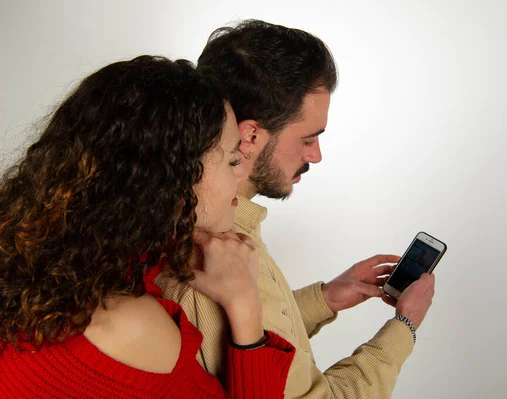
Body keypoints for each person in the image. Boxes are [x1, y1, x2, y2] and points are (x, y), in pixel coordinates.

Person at [156, 20, 436, 398]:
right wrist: (404, 327)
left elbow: (249, 341)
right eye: (308, 138)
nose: (316, 156)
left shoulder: (202, 218)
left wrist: (325, 299)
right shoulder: (220, 253)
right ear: (250, 136)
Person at [0, 55, 294, 399]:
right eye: (232, 159)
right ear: (172, 180)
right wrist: (246, 306)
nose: (242, 174)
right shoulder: (131, 323)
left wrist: (325, 299)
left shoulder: (37, 263)